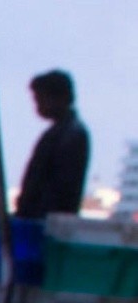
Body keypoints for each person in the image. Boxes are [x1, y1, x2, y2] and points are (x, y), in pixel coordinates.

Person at [17, 70, 93, 226]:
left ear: (61, 98)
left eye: (41, 99)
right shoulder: (65, 132)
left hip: (47, 223)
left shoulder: (68, 135)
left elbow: (59, 190)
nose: (37, 106)